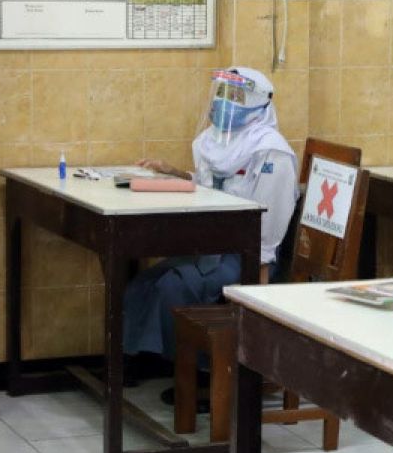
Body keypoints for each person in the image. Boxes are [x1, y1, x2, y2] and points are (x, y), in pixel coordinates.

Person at [123, 67, 297, 397]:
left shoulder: (269, 151)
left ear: (258, 104)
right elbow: (213, 186)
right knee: (144, 283)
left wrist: (255, 287)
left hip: (249, 255)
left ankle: (204, 376)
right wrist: (173, 173)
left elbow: (270, 223)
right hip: (214, 247)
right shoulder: (215, 141)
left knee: (173, 286)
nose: (224, 102)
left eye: (235, 96)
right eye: (221, 93)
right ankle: (145, 360)